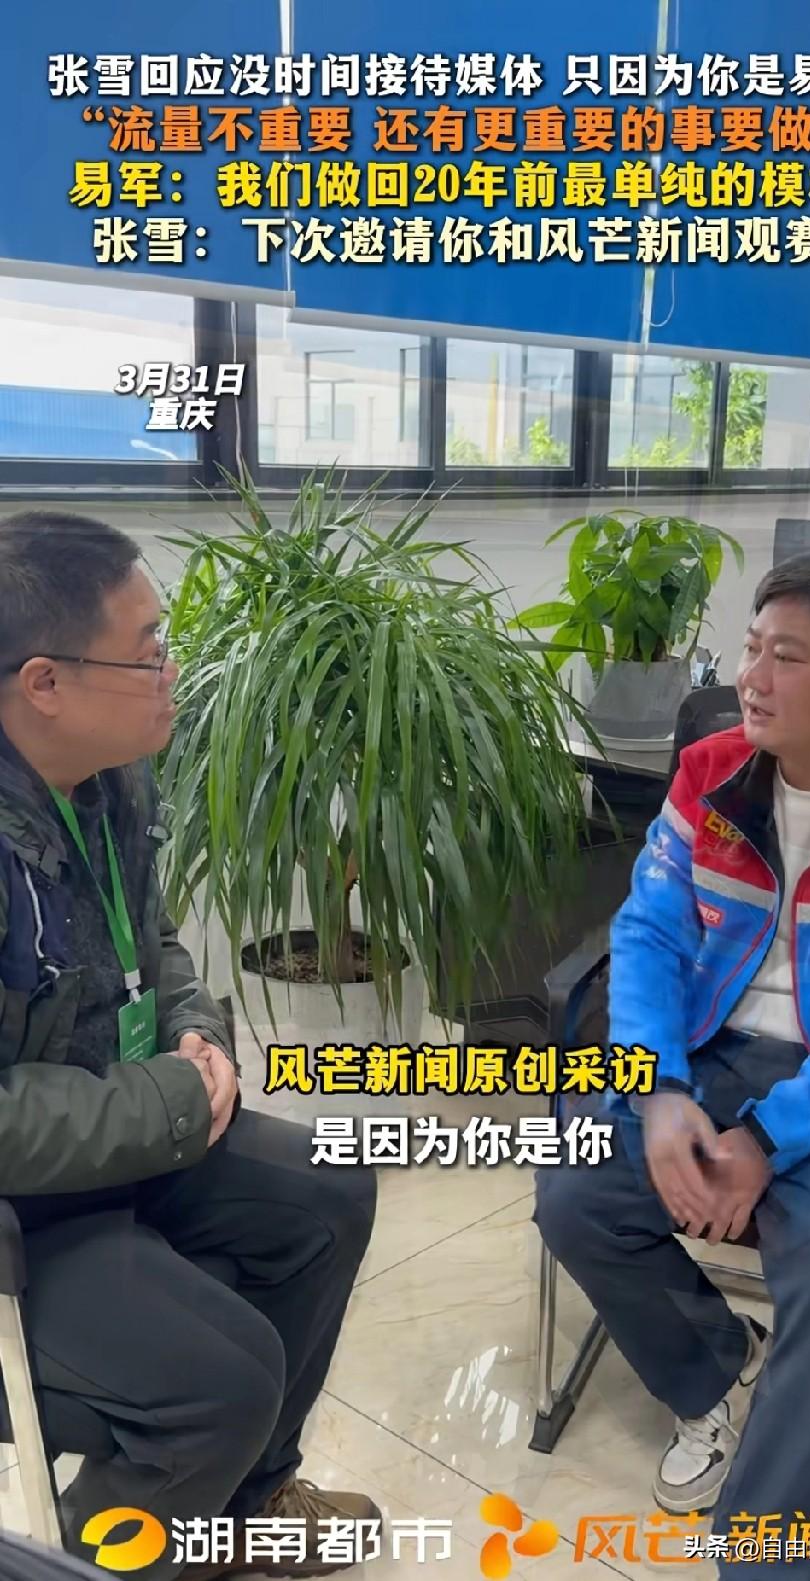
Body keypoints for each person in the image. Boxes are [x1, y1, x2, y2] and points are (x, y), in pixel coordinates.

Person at [0, 511, 378, 1580]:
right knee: (220, 1379)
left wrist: (197, 1034)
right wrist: (171, 1100)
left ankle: (243, 1509)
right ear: (44, 683)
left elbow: (150, 941)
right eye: (148, 650)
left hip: (112, 1137)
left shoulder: (107, 777)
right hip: (18, 1213)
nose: (174, 670)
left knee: (326, 1191)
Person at [536, 551, 810, 1577]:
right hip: (709, 1052)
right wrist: (659, 1090)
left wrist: (764, 1139)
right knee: (577, 1194)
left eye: (785, 657)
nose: (749, 678)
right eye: (750, 648)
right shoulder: (711, 769)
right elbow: (648, 936)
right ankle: (711, 1371)